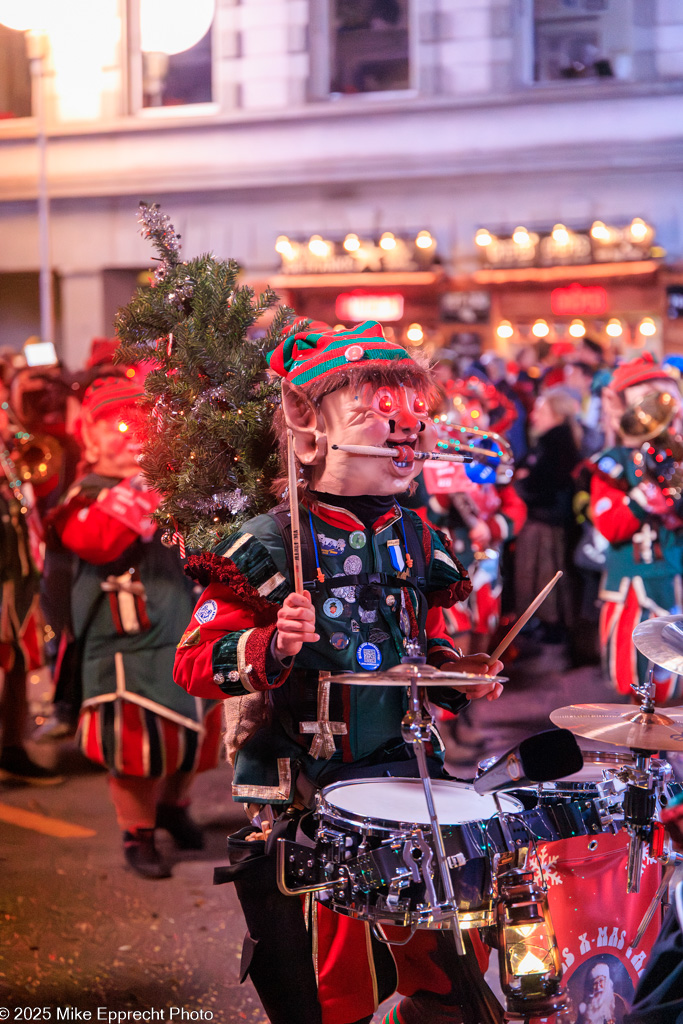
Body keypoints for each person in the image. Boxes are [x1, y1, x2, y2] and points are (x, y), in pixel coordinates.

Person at [173, 321, 504, 1024]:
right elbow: (193, 662)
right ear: (306, 425)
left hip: (408, 777)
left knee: (447, 963)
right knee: (334, 985)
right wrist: (273, 646)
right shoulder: (264, 545)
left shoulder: (416, 537)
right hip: (310, 789)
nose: (407, 434)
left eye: (414, 416)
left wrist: (454, 674)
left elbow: (419, 649)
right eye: (380, 416)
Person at [46, 376, 222, 878]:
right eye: (120, 426)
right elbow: (96, 541)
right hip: (125, 645)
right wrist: (148, 483)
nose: (133, 437)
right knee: (137, 743)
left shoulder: (175, 483)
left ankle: (174, 808)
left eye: (144, 426)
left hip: (186, 631)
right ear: (92, 435)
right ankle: (137, 832)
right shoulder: (84, 494)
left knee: (195, 735)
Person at [589, 353, 683, 703]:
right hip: (632, 584)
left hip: (673, 579)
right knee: (636, 680)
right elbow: (610, 527)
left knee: (673, 682)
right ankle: (644, 753)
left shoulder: (677, 457)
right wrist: (643, 500)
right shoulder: (612, 463)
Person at [514, 386, 582, 643]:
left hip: (546, 523)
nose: (534, 416)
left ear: (557, 415)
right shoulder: (553, 442)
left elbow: (540, 485)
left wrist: (522, 483)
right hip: (549, 521)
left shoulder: (555, 445)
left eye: (541, 410)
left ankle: (550, 630)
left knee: (544, 578)